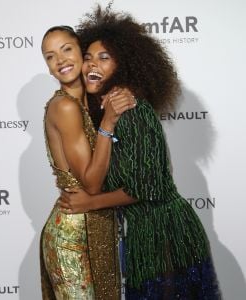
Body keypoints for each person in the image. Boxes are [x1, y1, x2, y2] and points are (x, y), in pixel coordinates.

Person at [60, 6, 221, 299]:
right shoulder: (101, 112)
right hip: (140, 240)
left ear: (125, 65)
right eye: (87, 57)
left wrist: (90, 203)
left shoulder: (132, 110)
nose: (92, 65)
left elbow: (146, 187)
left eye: (104, 58)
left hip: (167, 238)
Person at [40, 25, 136, 299]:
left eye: (66, 49)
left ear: (82, 54)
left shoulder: (87, 103)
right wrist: (107, 123)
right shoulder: (66, 107)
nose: (60, 61)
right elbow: (92, 185)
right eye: (50, 56)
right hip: (72, 237)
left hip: (94, 228)